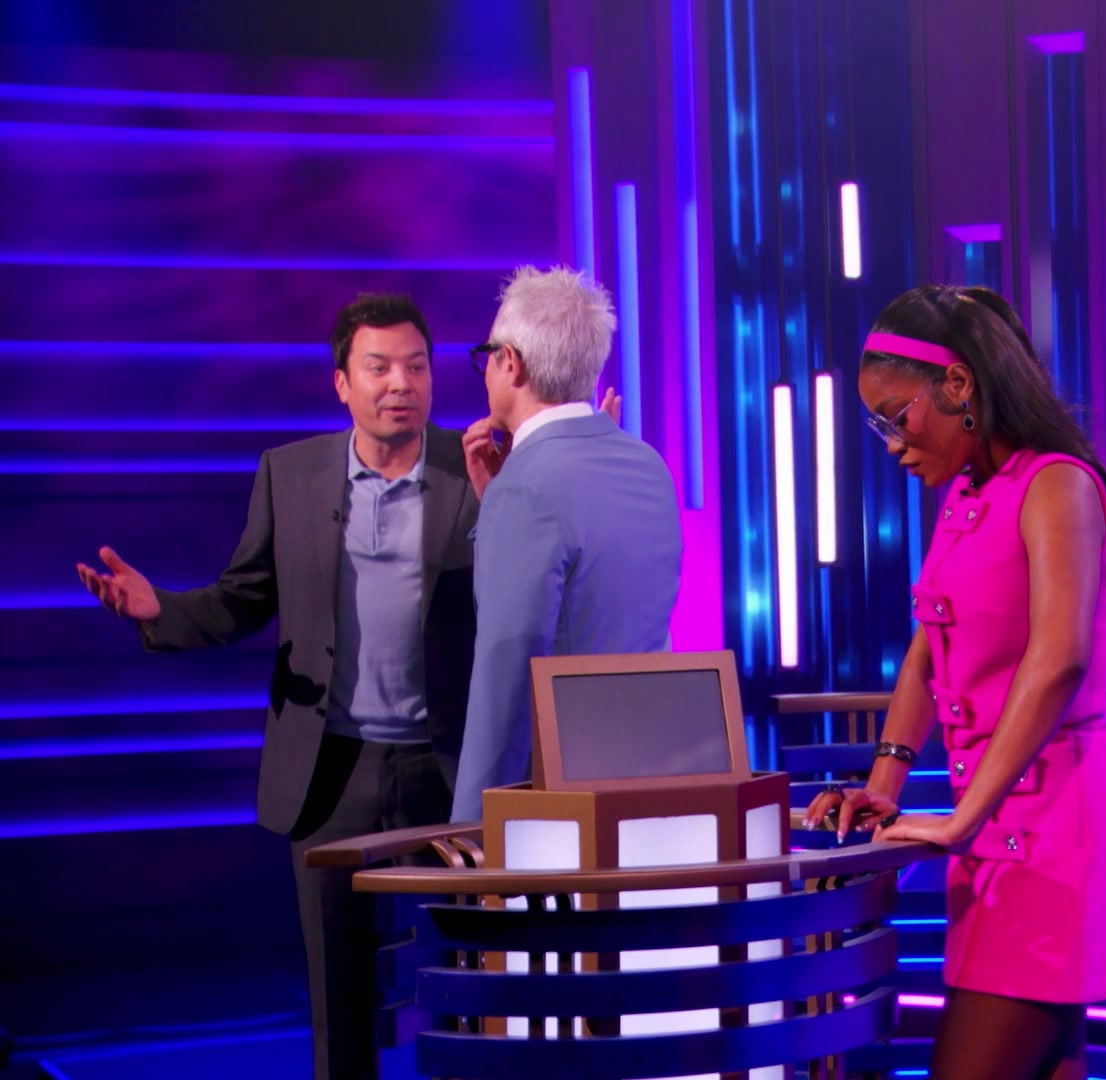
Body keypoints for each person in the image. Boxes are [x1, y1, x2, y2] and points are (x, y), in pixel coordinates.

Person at [76, 293, 479, 1079]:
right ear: (342, 384)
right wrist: (162, 610)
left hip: (448, 769)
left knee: (467, 986)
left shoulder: (475, 471)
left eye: (417, 366)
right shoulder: (290, 475)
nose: (401, 383)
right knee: (339, 996)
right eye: (379, 368)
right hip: (332, 769)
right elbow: (242, 600)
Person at [803, 285, 1106, 1079]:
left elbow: (1059, 658)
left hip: (1059, 833)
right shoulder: (968, 494)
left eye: (897, 416)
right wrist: (885, 784)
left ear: (958, 384)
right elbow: (926, 654)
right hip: (998, 833)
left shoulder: (1058, 483)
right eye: (879, 426)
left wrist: (963, 817)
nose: (892, 443)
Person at [453, 265, 682, 822]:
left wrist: (471, 828)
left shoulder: (525, 487)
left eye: (489, 357)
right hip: (658, 773)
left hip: (564, 798)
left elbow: (505, 675)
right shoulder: (648, 463)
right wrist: (497, 503)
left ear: (511, 362)